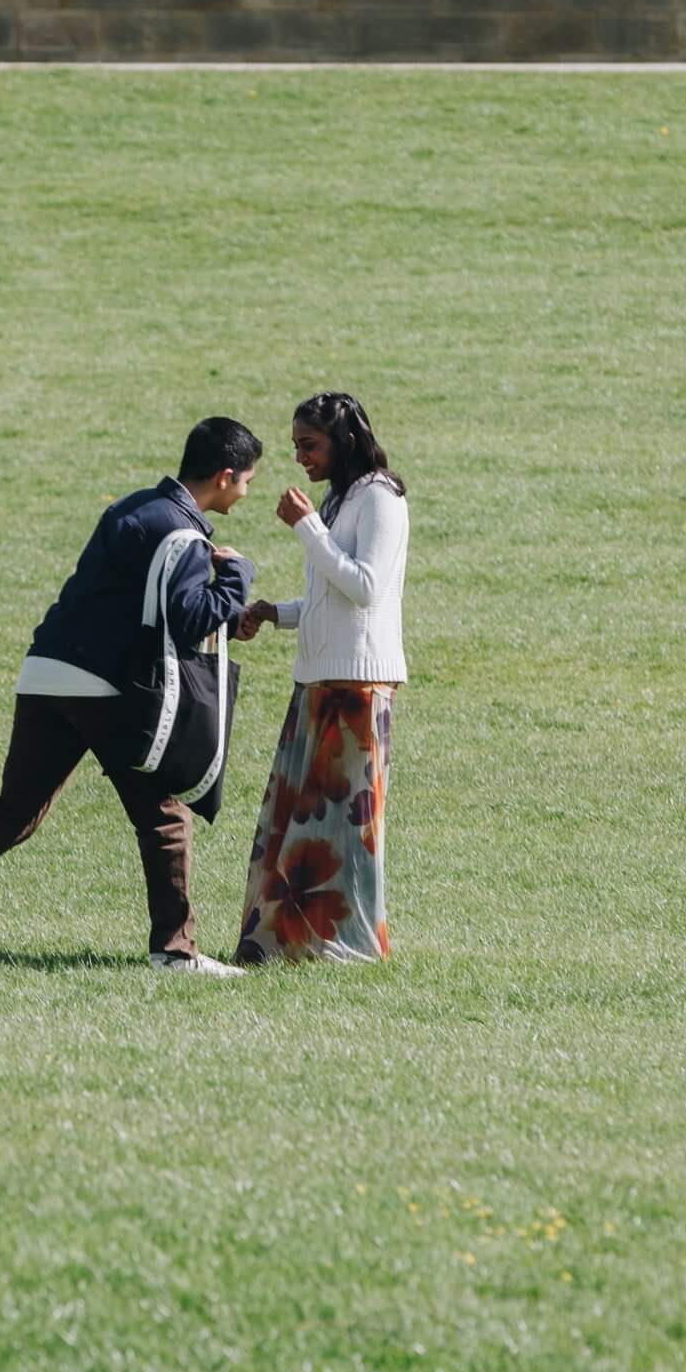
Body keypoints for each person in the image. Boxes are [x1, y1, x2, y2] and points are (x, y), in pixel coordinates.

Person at [0, 419, 262, 975]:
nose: (246, 494)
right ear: (225, 475)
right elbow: (187, 621)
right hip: (106, 687)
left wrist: (223, 611)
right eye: (247, 483)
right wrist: (237, 576)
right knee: (165, 817)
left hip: (46, 671)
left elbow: (141, 604)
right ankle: (176, 951)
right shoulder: (186, 536)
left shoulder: (133, 508)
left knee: (12, 813)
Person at [230, 393, 409, 965]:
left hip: (358, 687)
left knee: (346, 830)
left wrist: (307, 527)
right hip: (317, 681)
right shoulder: (340, 502)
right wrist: (274, 613)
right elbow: (327, 599)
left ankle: (345, 945)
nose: (301, 457)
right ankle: (286, 943)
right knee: (296, 819)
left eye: (310, 445)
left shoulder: (380, 498)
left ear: (343, 440)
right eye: (296, 447)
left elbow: (364, 588)